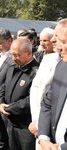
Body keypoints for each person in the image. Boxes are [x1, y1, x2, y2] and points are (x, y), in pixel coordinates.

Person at [0, 38, 38, 150]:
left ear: (28, 53)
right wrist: (0, 103)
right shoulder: (12, 68)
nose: (13, 58)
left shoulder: (36, 72)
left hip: (25, 126)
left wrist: (10, 108)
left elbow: (32, 99)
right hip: (11, 122)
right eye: (12, 55)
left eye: (16, 55)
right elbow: (3, 87)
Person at [29, 22, 61, 150]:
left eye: (46, 40)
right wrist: (37, 120)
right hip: (40, 121)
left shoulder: (60, 60)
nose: (43, 43)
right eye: (41, 40)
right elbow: (35, 89)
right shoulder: (45, 58)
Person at [38, 18, 67, 150]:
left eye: (63, 42)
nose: (58, 47)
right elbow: (48, 102)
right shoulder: (61, 66)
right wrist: (43, 137)